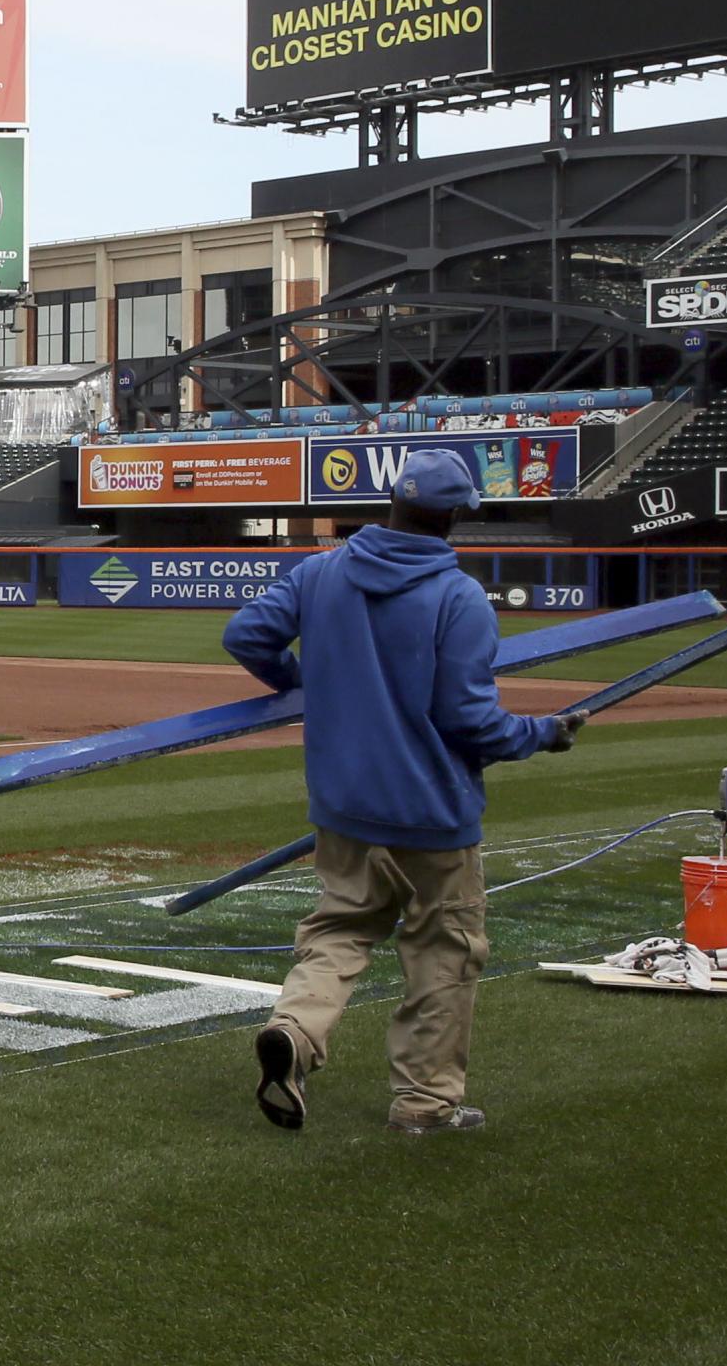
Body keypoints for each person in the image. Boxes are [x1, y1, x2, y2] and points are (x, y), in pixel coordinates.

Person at [219, 445, 584, 1136]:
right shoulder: (459, 597)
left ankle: (295, 1032)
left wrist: (296, 680)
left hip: (343, 806)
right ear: (453, 517)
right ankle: (423, 1104)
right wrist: (544, 734)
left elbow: (247, 636)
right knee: (443, 954)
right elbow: (471, 721)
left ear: (392, 503)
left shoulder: (322, 572)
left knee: (337, 931)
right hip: (432, 814)